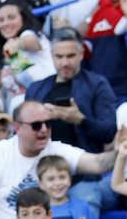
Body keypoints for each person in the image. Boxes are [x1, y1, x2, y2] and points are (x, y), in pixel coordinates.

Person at [24, 28, 120, 163]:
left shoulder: (97, 84)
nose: (65, 63)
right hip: (43, 167)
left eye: (70, 56)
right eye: (59, 56)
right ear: (51, 55)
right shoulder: (36, 88)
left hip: (85, 169)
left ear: (81, 54)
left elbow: (109, 132)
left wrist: (80, 120)